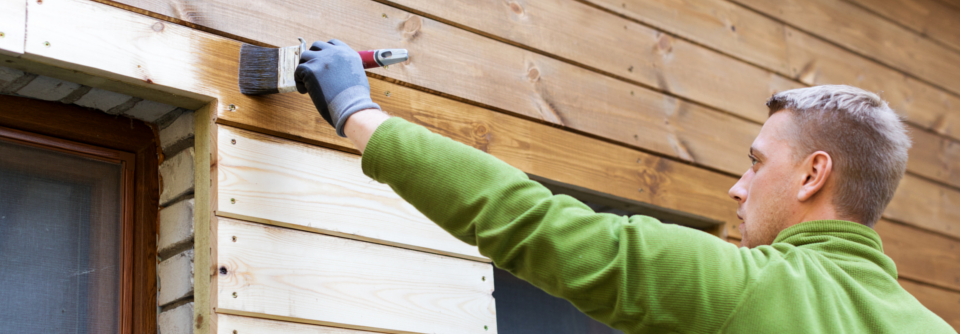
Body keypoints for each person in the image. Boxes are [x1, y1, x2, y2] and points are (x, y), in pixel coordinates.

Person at [294, 39, 955, 333]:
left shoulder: (744, 290)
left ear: (813, 174)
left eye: (755, 163)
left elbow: (534, 223)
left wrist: (357, 111)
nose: (736, 187)